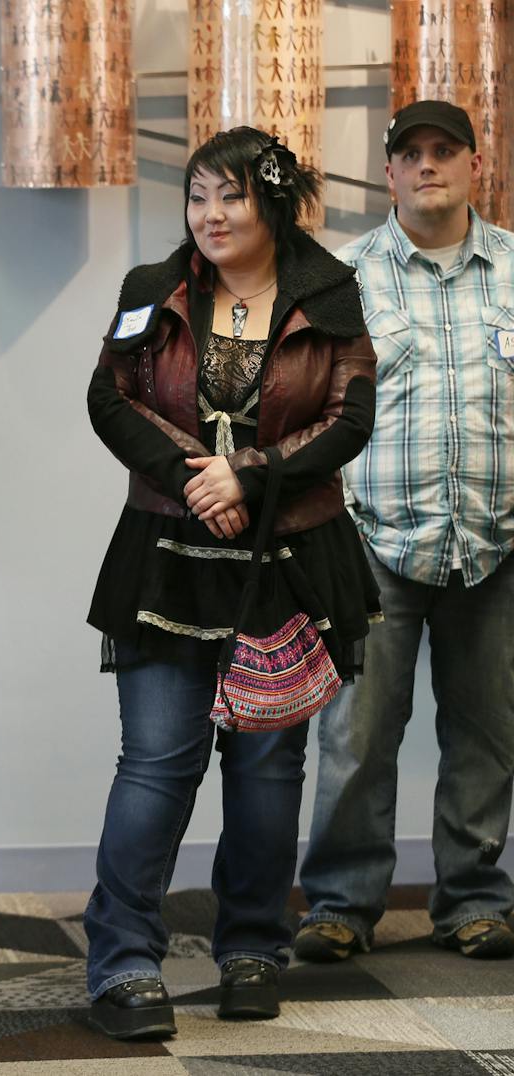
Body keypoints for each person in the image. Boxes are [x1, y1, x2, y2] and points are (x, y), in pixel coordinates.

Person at [83, 126, 380, 1040]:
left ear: (274, 205)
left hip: (288, 560)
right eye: (197, 196)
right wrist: (193, 479)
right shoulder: (152, 291)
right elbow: (111, 397)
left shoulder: (329, 290)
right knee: (157, 763)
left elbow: (349, 411)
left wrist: (251, 476)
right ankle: (123, 962)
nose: (209, 215)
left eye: (232, 197)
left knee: (266, 767)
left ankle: (252, 946)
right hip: (167, 554)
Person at [296, 100, 514, 964]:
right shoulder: (341, 277)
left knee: (489, 734)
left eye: (445, 151)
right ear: (388, 173)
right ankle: (342, 905)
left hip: (497, 544)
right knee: (355, 733)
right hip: (370, 545)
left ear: (473, 166)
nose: (428, 166)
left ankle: (474, 901)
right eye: (411, 154)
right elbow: (309, 412)